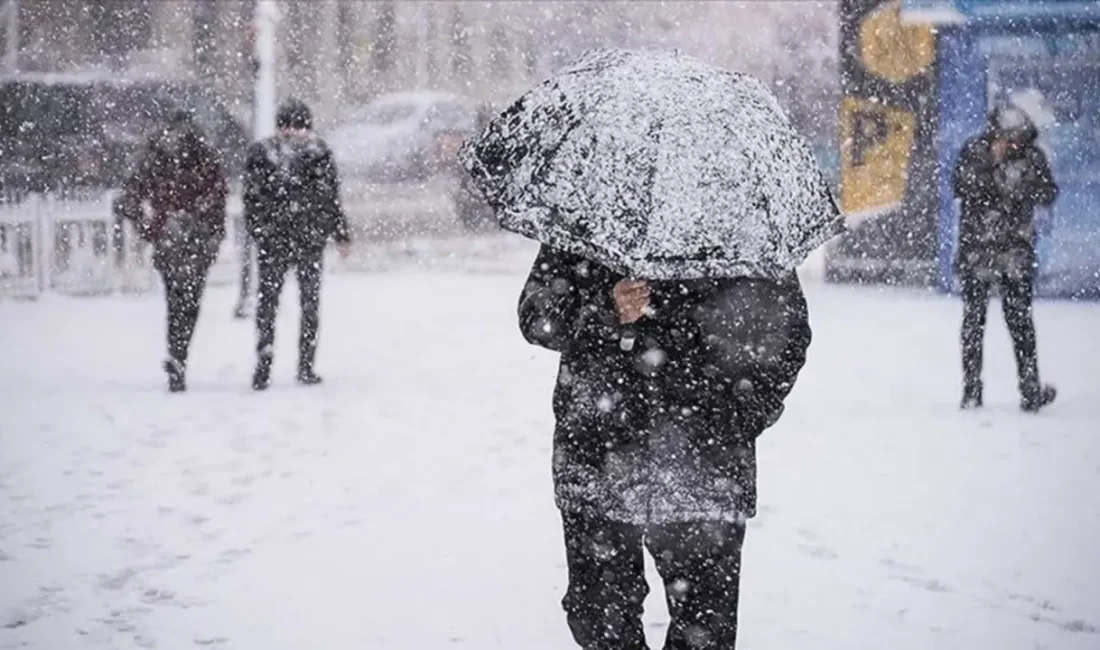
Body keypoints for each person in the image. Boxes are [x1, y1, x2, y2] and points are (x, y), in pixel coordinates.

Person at [518, 245, 812, 650]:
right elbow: (537, 316)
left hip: (705, 467)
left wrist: (738, 416)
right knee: (599, 618)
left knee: (705, 631)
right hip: (599, 457)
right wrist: (606, 307)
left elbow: (787, 332)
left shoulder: (739, 223)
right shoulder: (592, 214)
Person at [953, 106, 1059, 412]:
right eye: (1005, 138)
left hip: (1015, 252)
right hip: (978, 251)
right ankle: (971, 389)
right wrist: (993, 164)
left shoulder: (1032, 157)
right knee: (974, 321)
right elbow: (962, 186)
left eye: (1015, 139)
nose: (1010, 144)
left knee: (1020, 322)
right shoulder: (976, 151)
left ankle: (1029, 390)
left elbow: (1048, 192)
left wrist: (1020, 184)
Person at [114, 109, 227, 392]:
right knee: (188, 302)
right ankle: (179, 354)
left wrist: (151, 227)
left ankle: (177, 355)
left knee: (176, 300)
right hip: (191, 238)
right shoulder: (201, 157)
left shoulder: (156, 156)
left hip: (173, 238)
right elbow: (217, 200)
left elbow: (129, 198)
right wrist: (212, 232)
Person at [244, 98, 351, 391]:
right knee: (308, 303)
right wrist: (339, 232)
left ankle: (265, 359)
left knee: (269, 302)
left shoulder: (262, 153)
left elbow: (252, 199)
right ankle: (305, 364)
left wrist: (261, 230)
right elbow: (330, 198)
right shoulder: (317, 152)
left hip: (276, 239)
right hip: (307, 239)